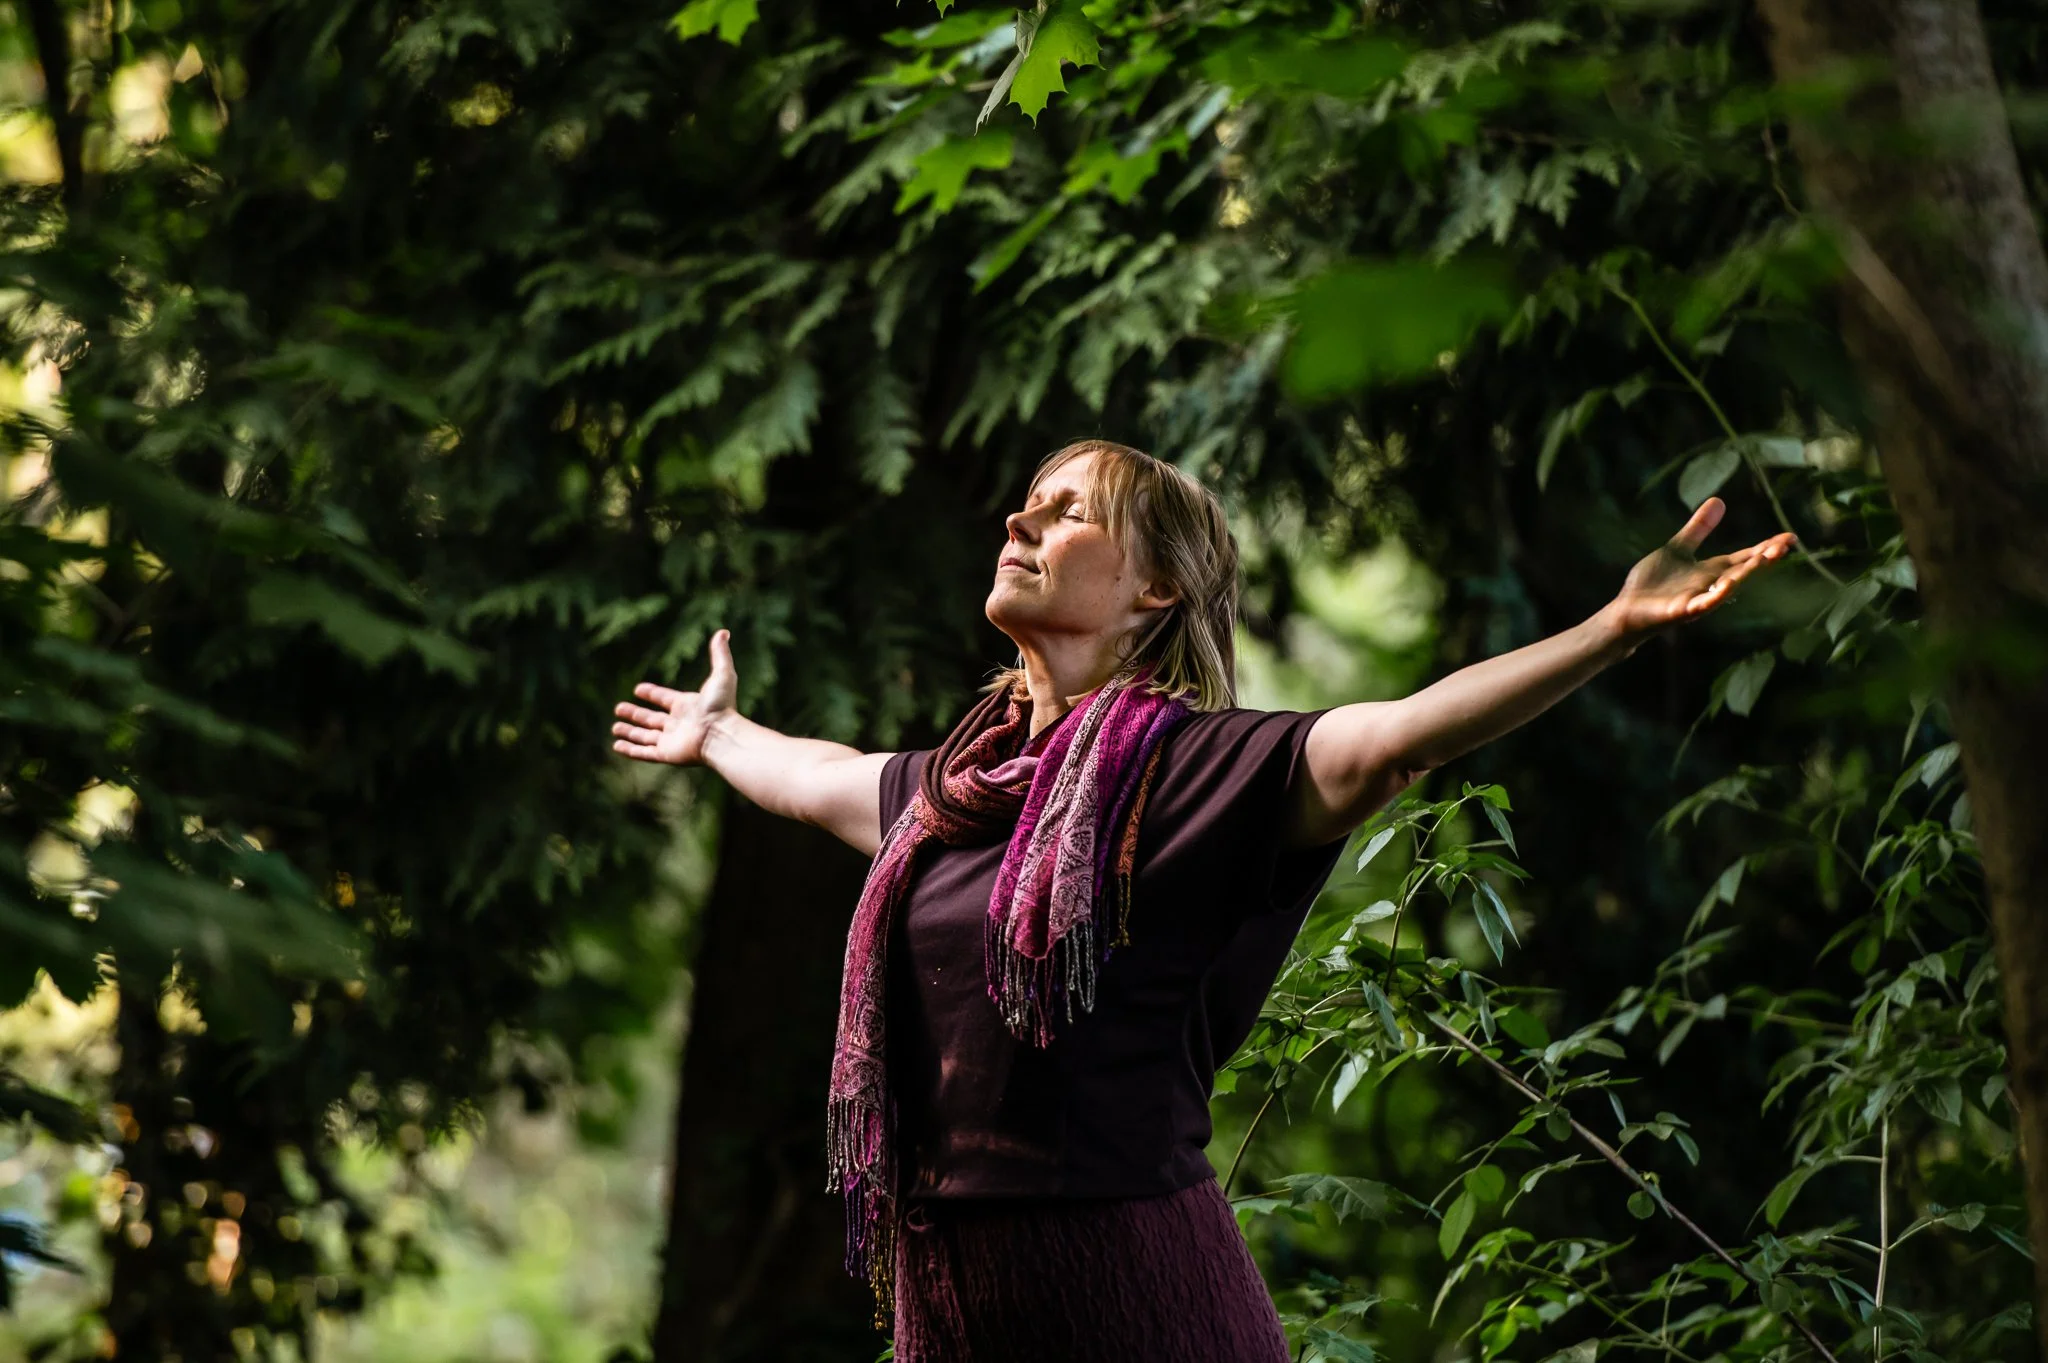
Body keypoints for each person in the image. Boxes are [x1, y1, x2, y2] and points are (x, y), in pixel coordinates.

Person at [610, 439, 1794, 1362]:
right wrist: (718, 732)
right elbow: (815, 774)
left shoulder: (1200, 772)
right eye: (1025, 501)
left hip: (1129, 1284)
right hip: (955, 1297)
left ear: (1156, 588)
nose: (1020, 520)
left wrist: (1606, 629)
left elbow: (1396, 739)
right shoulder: (954, 795)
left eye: (1068, 511)